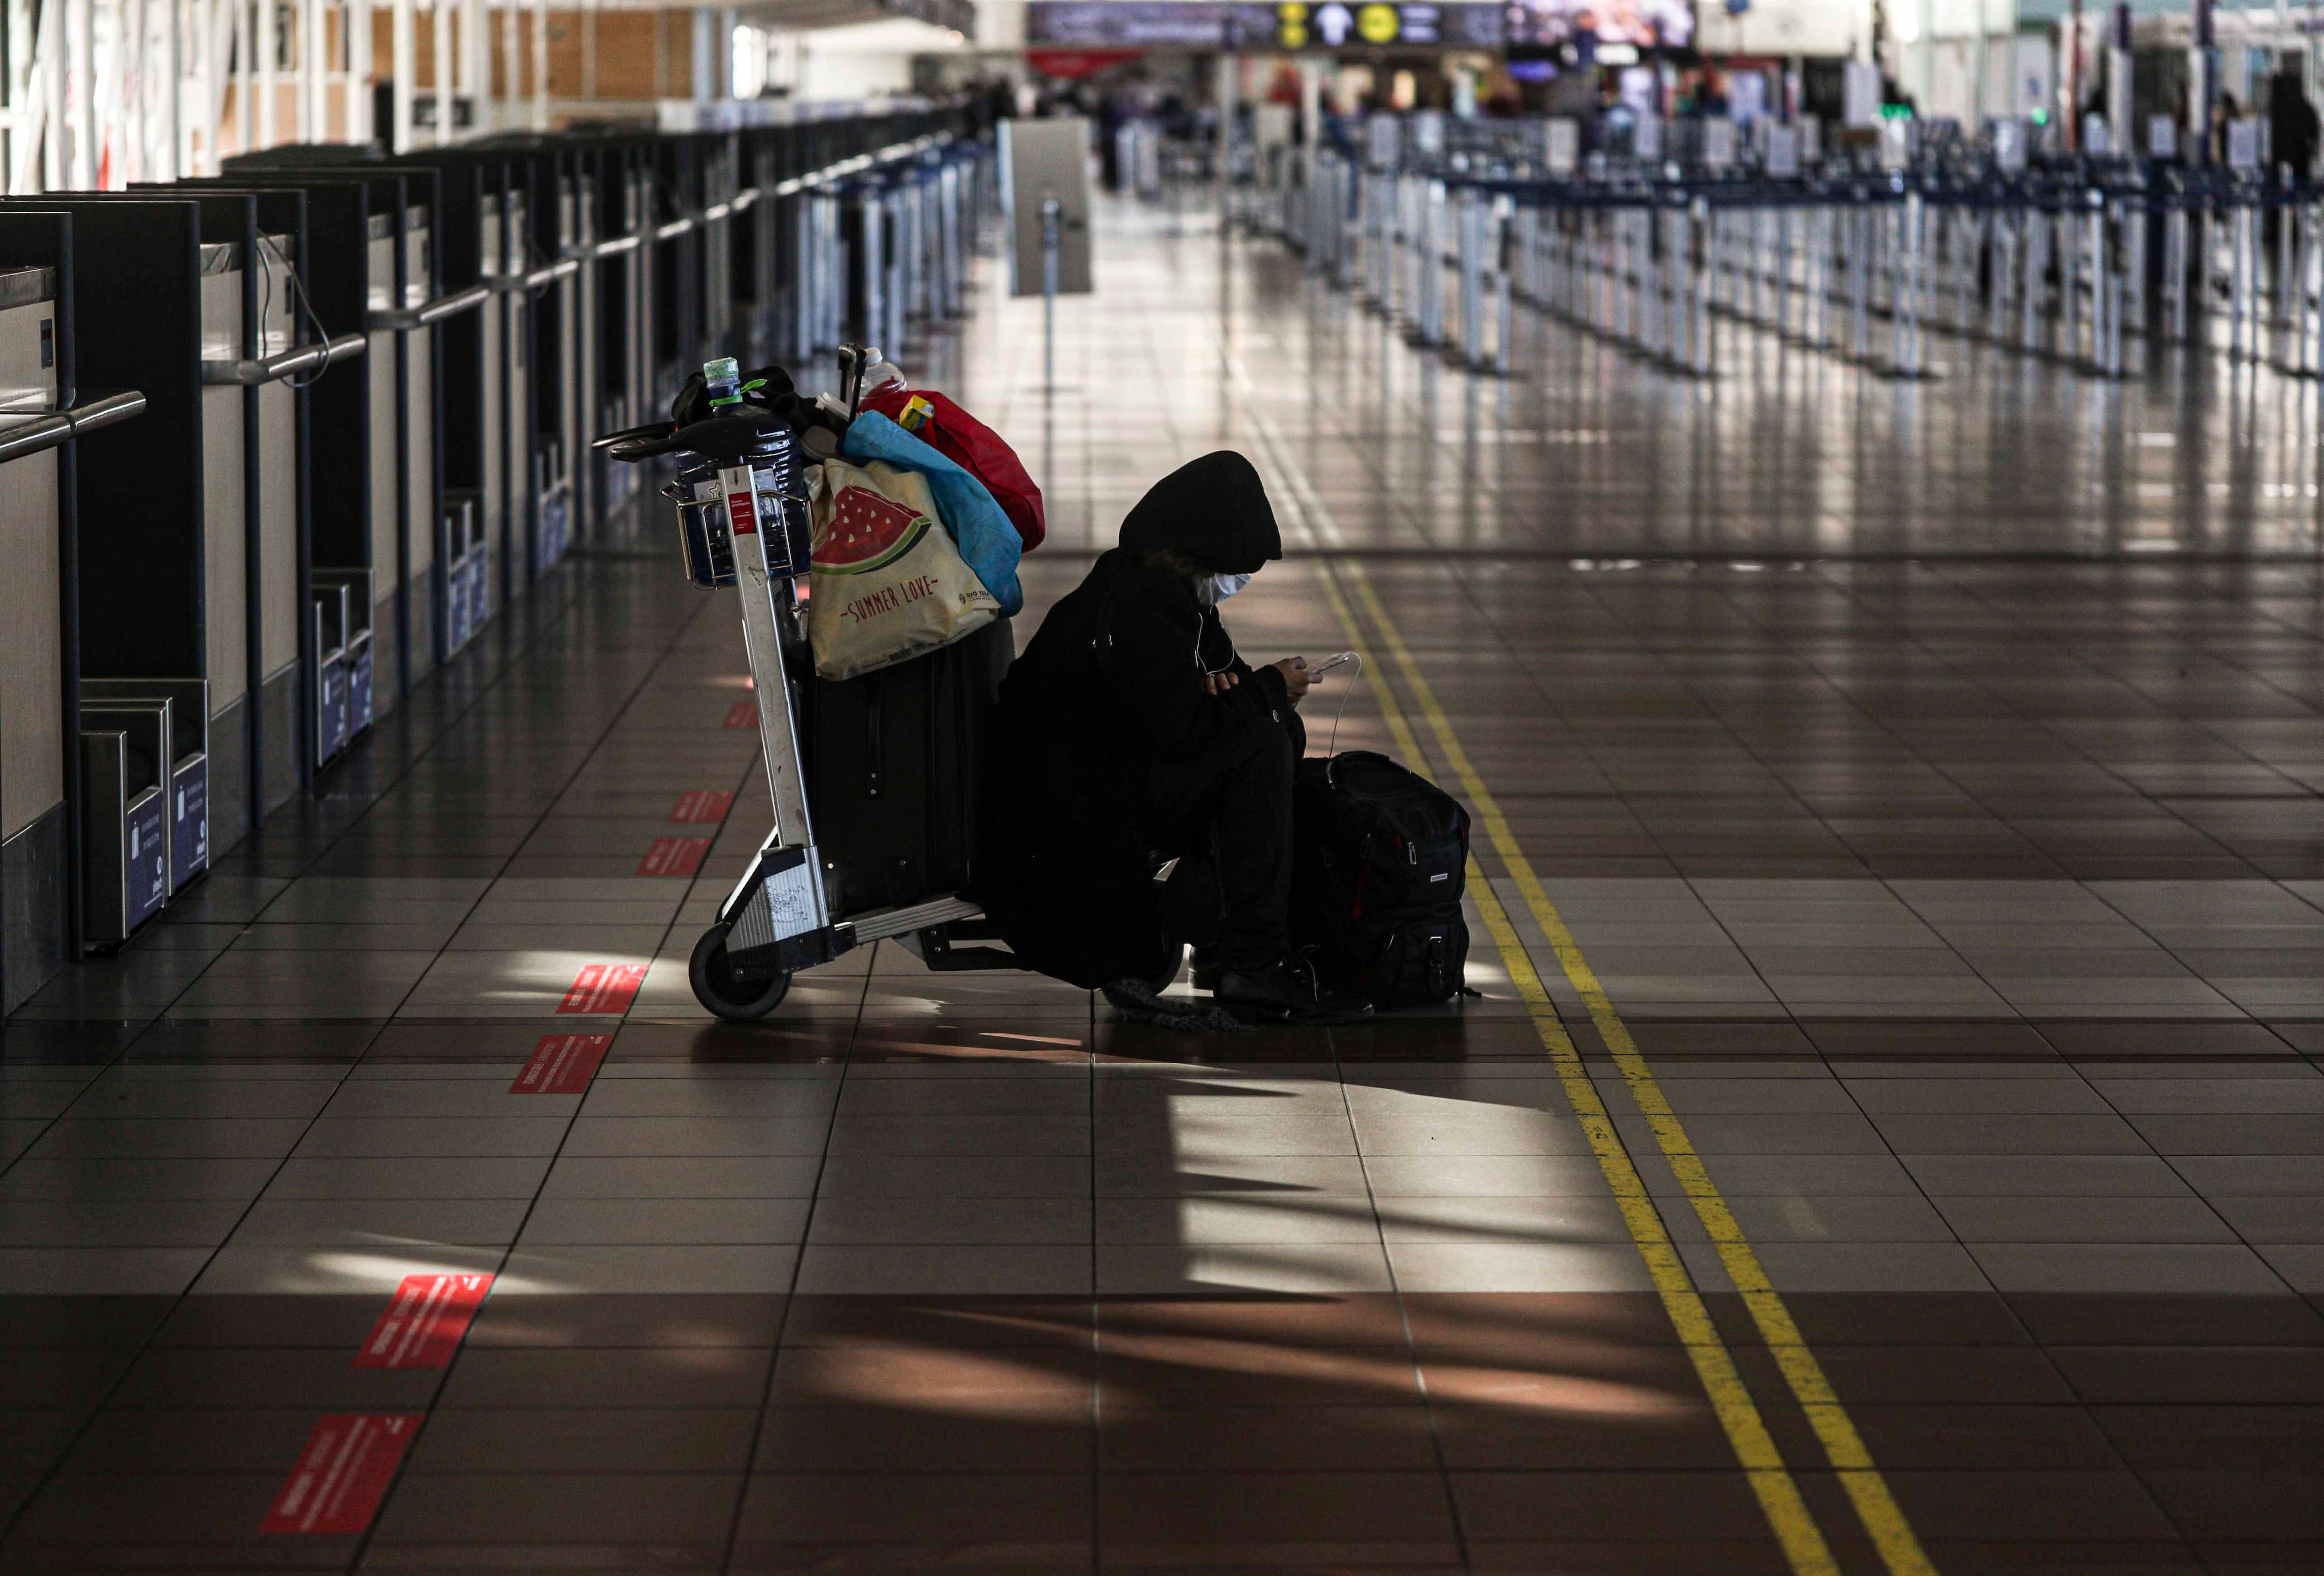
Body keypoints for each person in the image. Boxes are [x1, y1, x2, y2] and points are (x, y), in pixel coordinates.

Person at [978, 452, 1371, 1024]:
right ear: (1186, 556)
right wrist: (1264, 691)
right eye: (1227, 571)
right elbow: (1179, 732)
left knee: (1265, 733)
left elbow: (1197, 692)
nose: (1232, 585)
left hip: (1095, 783)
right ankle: (1252, 963)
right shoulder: (1141, 605)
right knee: (1258, 749)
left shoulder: (1156, 589)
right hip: (1074, 813)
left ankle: (1221, 936)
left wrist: (1254, 693)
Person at [2271, 71, 2320, 180]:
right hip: (2298, 154)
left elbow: (2313, 132)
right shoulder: (2305, 108)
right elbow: (2314, 133)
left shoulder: (2280, 110)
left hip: (2295, 153)